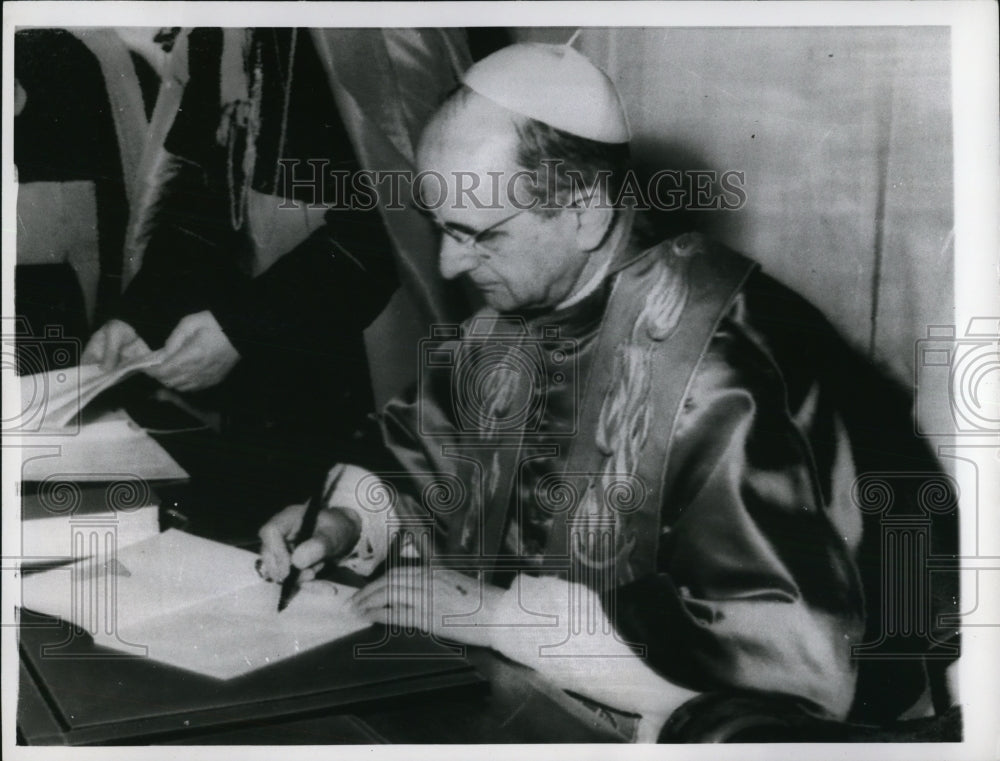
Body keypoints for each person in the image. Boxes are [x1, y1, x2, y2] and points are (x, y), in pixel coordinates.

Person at [257, 42, 959, 741]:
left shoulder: (722, 374)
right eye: (441, 228)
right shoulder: (512, 319)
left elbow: (776, 652)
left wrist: (504, 617)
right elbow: (424, 461)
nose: (448, 262)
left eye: (478, 235)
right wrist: (342, 523)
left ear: (587, 211)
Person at [81, 28, 470, 463]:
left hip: (366, 319)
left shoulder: (379, 28)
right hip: (249, 330)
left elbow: (401, 211)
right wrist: (143, 314)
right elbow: (202, 191)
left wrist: (248, 324)